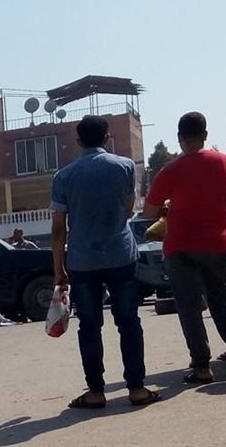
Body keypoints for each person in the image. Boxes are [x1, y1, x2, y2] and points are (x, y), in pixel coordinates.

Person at [51, 115, 158, 408]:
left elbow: (58, 228)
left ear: (78, 141)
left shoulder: (63, 176)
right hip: (120, 254)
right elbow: (127, 207)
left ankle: (96, 392)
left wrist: (58, 269)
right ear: (107, 138)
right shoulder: (125, 166)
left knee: (89, 326)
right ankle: (136, 388)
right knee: (129, 322)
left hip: (82, 260)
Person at [144, 111, 226, 382]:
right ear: (205, 134)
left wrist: (167, 207)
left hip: (180, 243)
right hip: (217, 241)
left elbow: (149, 211)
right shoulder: (222, 161)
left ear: (179, 138)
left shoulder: (170, 171)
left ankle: (202, 366)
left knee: (189, 306)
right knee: (221, 299)